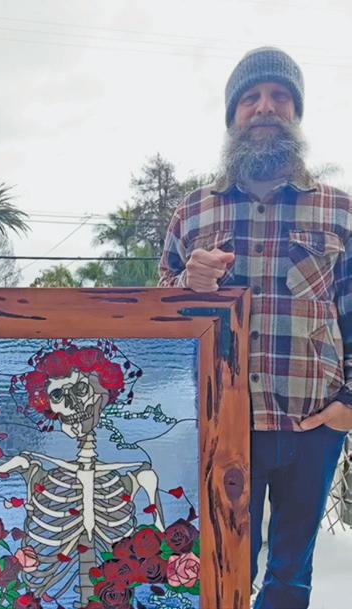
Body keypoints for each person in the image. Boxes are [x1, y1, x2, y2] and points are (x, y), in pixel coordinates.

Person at [158, 47, 352, 609]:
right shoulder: (193, 212)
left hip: (312, 424)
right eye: (251, 98)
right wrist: (187, 284)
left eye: (279, 96)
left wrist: (348, 405)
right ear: (232, 115)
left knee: (290, 575)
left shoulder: (339, 212)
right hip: (221, 423)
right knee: (223, 569)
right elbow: (160, 314)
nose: (265, 107)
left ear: (296, 113)